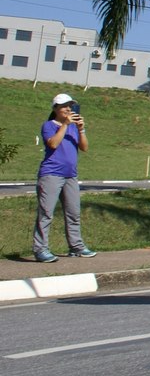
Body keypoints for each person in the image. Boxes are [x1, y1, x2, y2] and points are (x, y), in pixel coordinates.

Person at [32, 93, 94, 263]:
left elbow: (85, 147)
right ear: (55, 109)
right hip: (51, 174)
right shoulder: (49, 125)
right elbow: (52, 143)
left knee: (73, 212)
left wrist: (81, 129)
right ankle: (40, 249)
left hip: (70, 176)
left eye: (70, 106)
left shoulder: (74, 127)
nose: (68, 109)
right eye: (64, 106)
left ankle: (76, 246)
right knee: (46, 213)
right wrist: (65, 125)